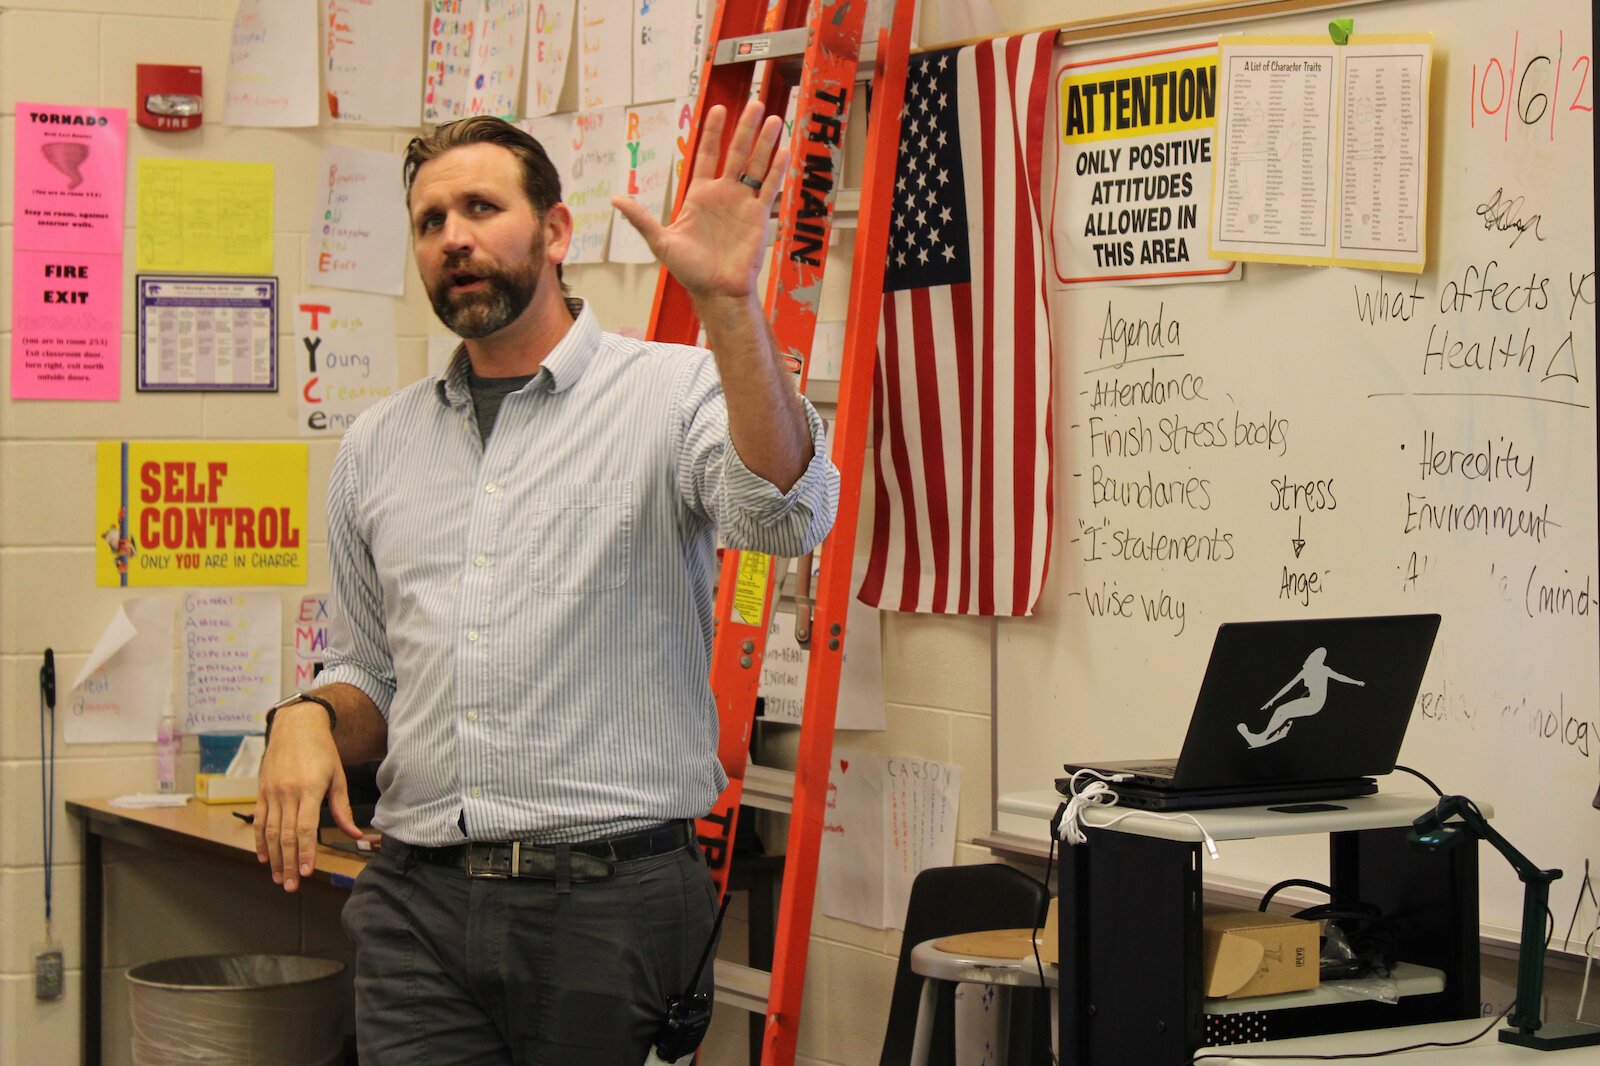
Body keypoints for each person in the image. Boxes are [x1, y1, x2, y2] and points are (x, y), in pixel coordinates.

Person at [254, 102, 839, 1064]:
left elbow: (785, 516)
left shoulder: (673, 391)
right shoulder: (377, 447)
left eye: (480, 207)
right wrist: (308, 716)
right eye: (430, 222)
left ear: (557, 231)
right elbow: (374, 674)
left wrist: (732, 306)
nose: (454, 238)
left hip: (609, 906)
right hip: (417, 911)